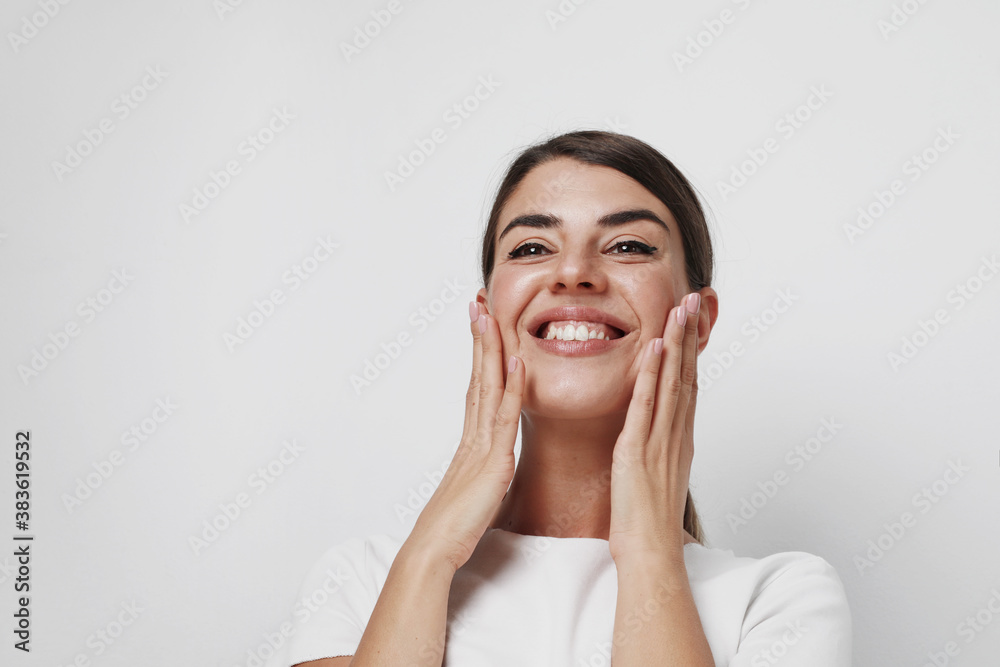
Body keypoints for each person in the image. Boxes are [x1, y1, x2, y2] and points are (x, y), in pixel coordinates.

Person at [269, 131, 852, 666]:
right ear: (488, 313)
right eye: (530, 249)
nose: (574, 272)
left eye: (627, 246)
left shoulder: (781, 600)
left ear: (697, 321)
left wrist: (649, 551)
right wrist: (432, 552)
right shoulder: (362, 581)